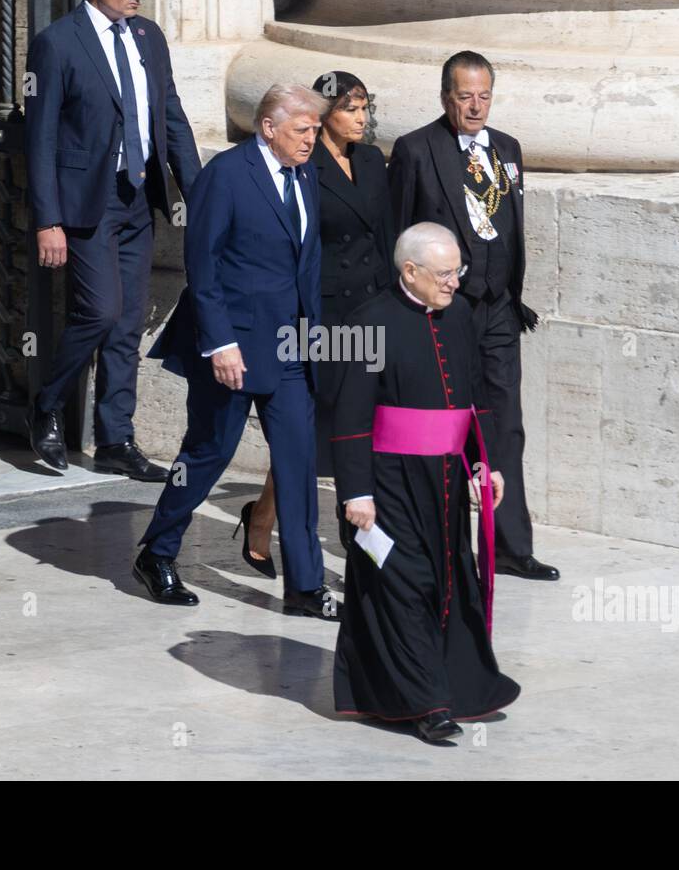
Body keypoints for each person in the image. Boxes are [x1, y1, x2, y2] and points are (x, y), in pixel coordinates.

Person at [134, 84, 341, 620]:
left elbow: (308, 264)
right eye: (302, 131)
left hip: (291, 346)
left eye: (316, 131)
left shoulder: (306, 177)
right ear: (268, 128)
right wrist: (221, 343)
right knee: (207, 454)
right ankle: (157, 553)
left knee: (298, 464)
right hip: (234, 347)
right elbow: (202, 266)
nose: (311, 140)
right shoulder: (226, 175)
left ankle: (305, 587)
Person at [331, 223, 521, 743]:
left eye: (458, 271)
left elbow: (475, 397)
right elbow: (348, 416)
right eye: (443, 273)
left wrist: (486, 465)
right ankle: (427, 704)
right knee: (403, 583)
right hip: (390, 481)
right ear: (409, 272)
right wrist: (356, 493)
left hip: (447, 481)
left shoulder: (459, 314)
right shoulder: (366, 323)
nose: (455, 282)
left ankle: (450, 685)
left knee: (445, 583)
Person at [24, 0, 201, 480]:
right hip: (86, 201)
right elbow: (41, 137)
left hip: (137, 198)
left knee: (125, 325)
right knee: (98, 312)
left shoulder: (149, 37)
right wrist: (47, 220)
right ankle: (46, 403)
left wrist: (202, 192)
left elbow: (170, 115)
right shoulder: (57, 43)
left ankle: (116, 438)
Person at [387, 51, 559, 581]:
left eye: (484, 95)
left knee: (505, 424)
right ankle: (441, 549)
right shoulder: (416, 150)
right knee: (445, 428)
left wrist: (511, 290)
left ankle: (508, 546)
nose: (476, 106)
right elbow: (395, 237)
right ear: (446, 97)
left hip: (500, 310)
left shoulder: (507, 149)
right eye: (465, 96)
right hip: (446, 314)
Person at [238, 71, 394, 579]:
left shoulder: (372, 161)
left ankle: (358, 539)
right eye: (352, 109)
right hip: (321, 317)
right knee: (310, 430)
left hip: (369, 312)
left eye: (366, 108)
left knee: (363, 426)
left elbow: (386, 236)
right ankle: (262, 517)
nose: (362, 119)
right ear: (325, 114)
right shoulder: (304, 166)